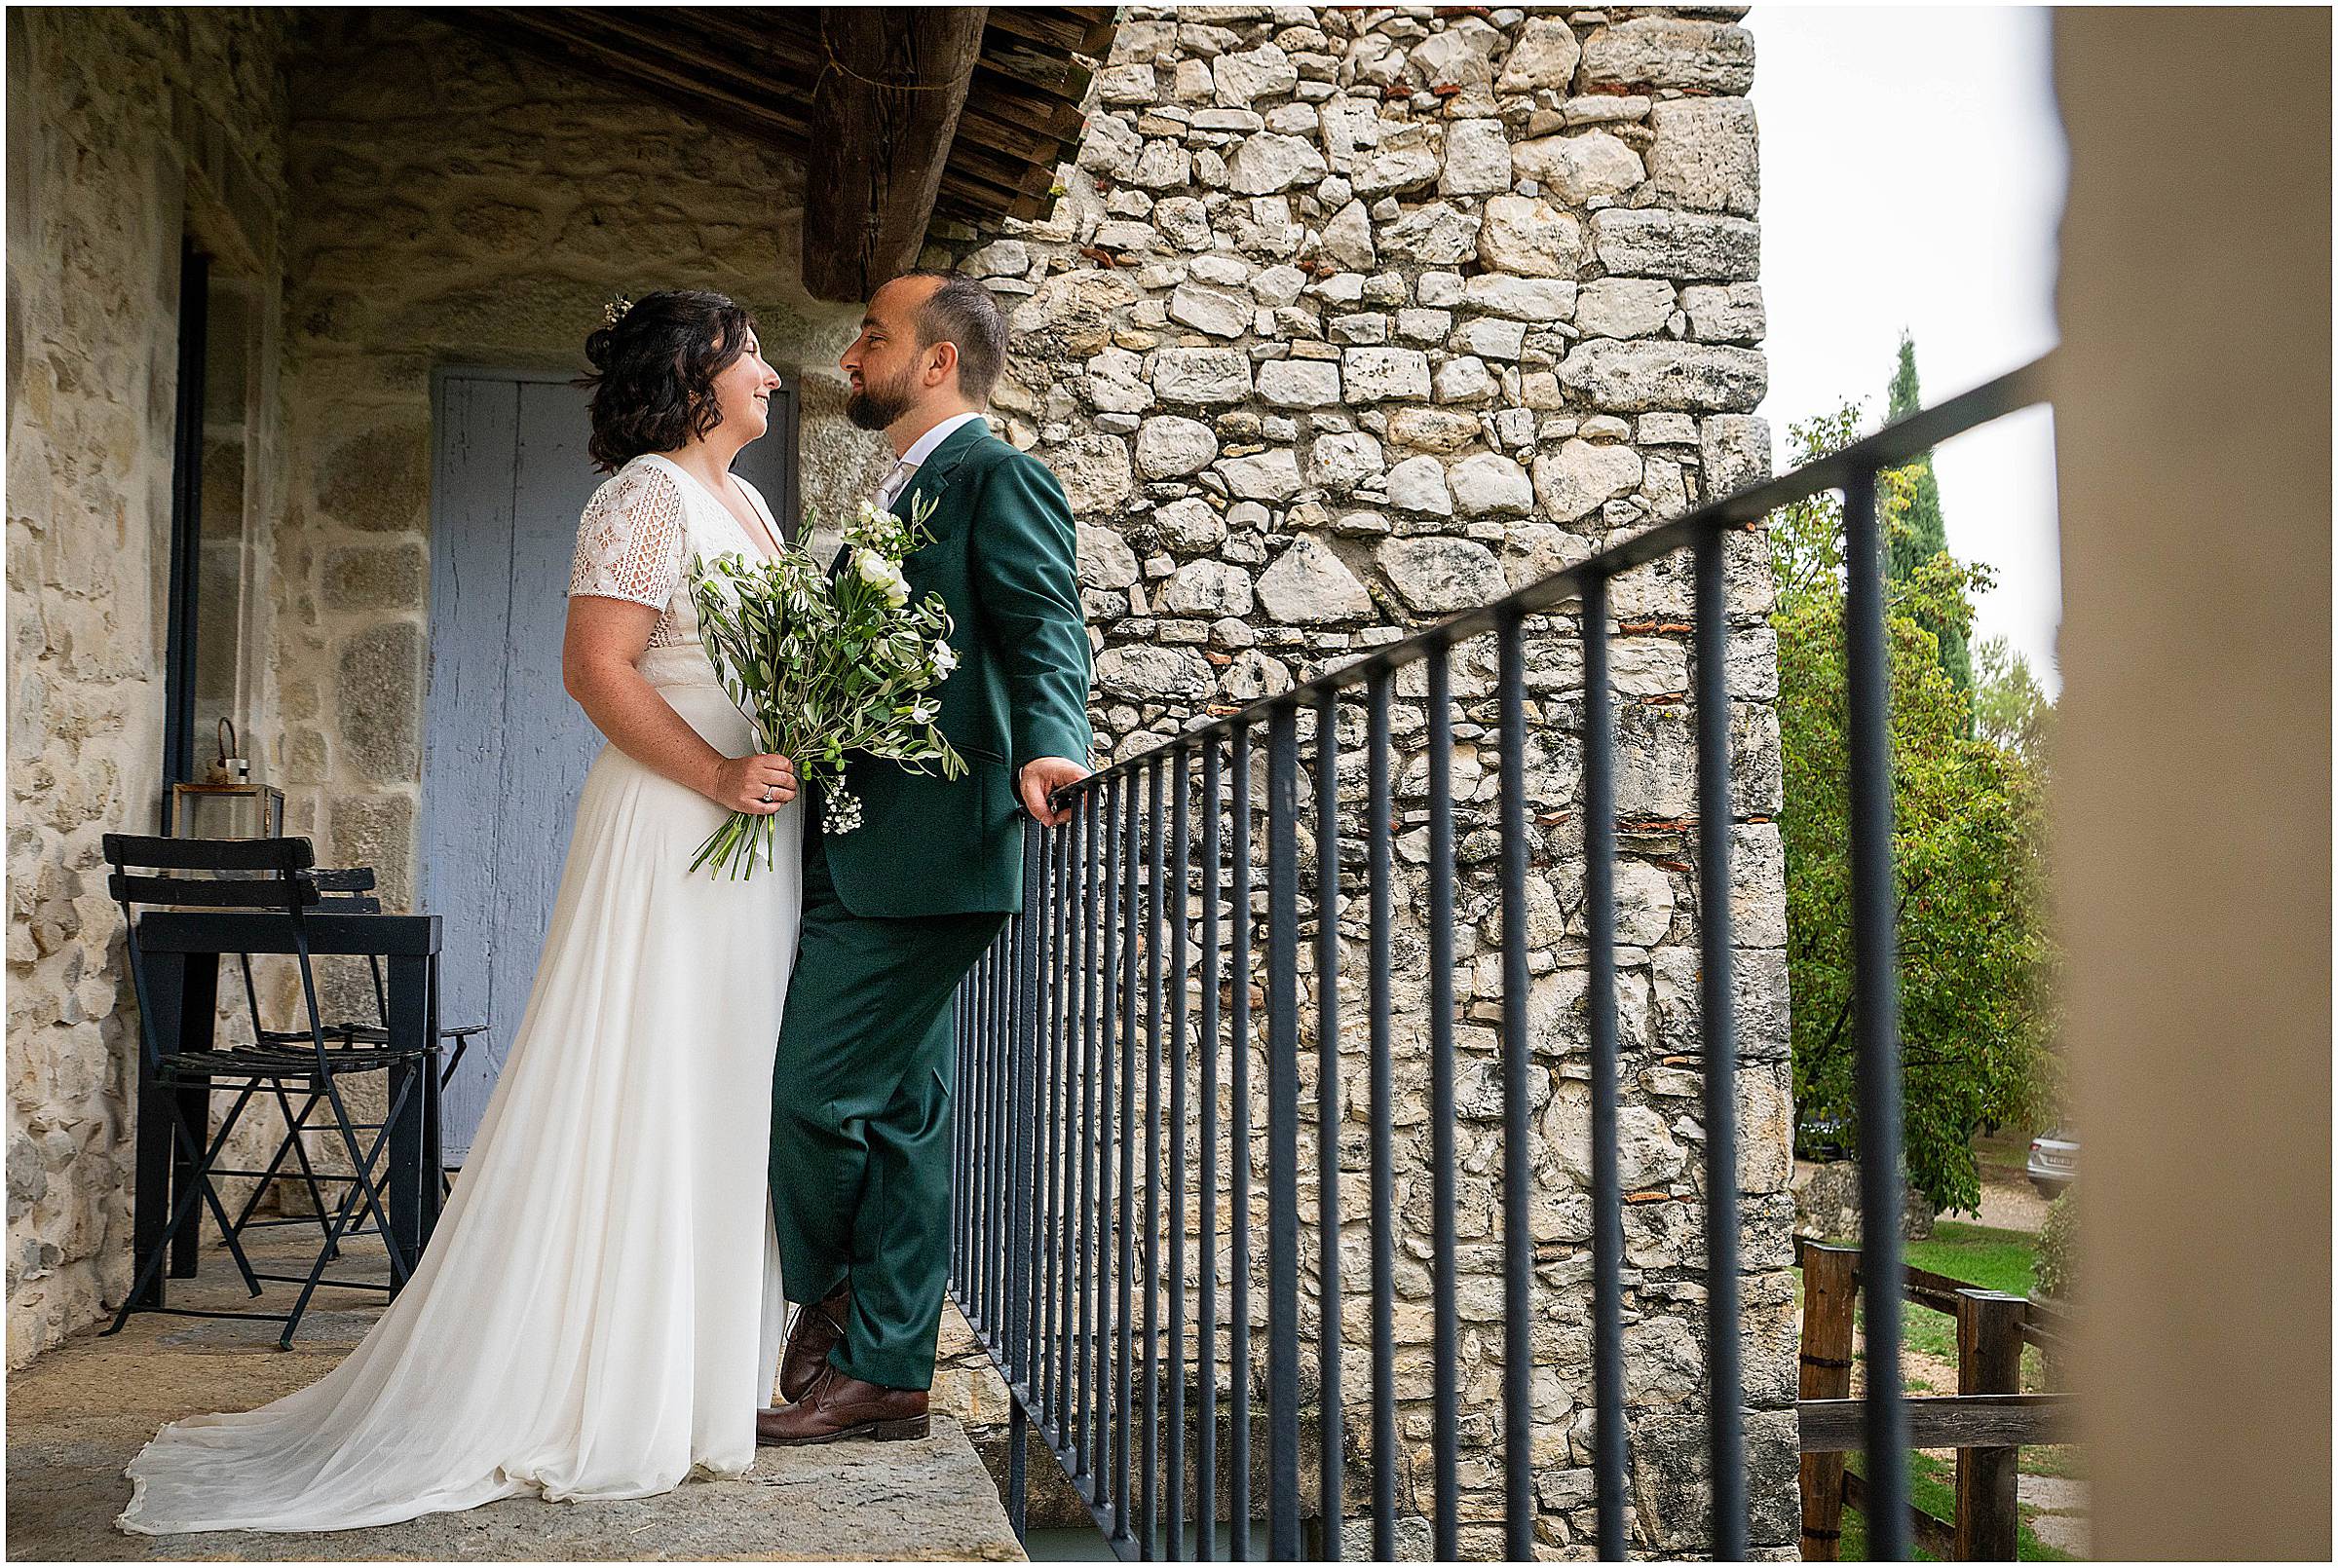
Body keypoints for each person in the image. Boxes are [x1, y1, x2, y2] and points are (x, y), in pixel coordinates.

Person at [117, 290, 808, 1533]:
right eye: (750, 351)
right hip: (675, 818)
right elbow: (595, 667)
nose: (771, 369)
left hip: (759, 834)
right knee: (642, 1074)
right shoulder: (643, 496)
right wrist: (713, 772)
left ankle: (706, 1382)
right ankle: (604, 1385)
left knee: (723, 1078)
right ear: (700, 373)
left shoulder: (750, 506)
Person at [758, 271, 1093, 1445]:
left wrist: (1054, 746)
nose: (851, 355)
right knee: (902, 1115)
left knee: (807, 1092)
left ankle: (843, 1296)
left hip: (934, 853)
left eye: (873, 336)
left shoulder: (997, 477)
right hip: (860, 848)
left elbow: (1046, 622)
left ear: (938, 362)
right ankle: (889, 1374)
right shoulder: (900, 485)